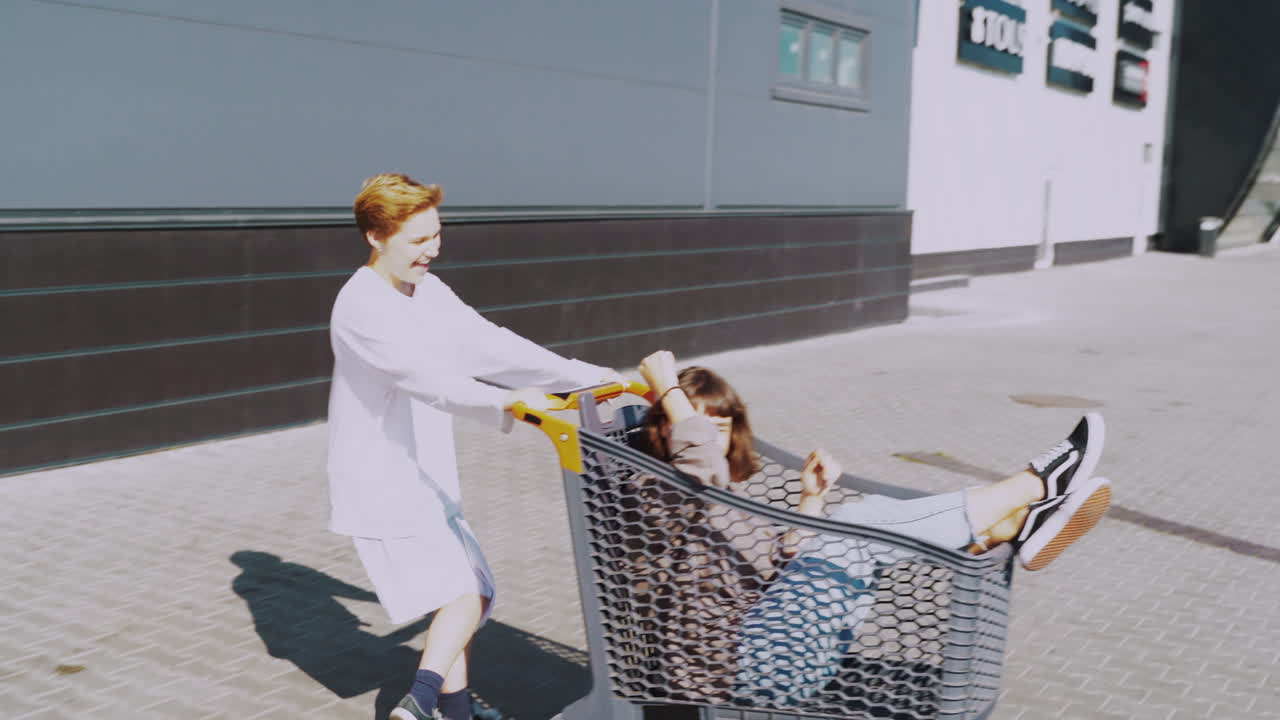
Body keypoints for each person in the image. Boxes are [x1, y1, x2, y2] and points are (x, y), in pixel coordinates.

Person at [629, 350, 1112, 704]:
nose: (708, 437)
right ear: (665, 427)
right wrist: (668, 389)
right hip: (731, 673)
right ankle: (1031, 491)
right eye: (689, 422)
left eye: (720, 427)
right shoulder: (654, 493)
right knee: (855, 527)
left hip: (779, 652)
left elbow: (774, 567)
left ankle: (1011, 520)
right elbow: (701, 469)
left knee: (863, 513)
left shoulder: (722, 502)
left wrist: (811, 500)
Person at [326, 173, 617, 720]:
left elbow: (488, 345)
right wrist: (507, 402)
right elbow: (425, 380)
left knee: (463, 594)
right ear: (375, 236)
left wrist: (583, 377)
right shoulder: (361, 306)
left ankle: (448, 709)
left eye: (436, 234)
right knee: (466, 593)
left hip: (423, 474)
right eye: (417, 240)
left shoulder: (427, 290)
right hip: (383, 478)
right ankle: (421, 702)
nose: (432, 249)